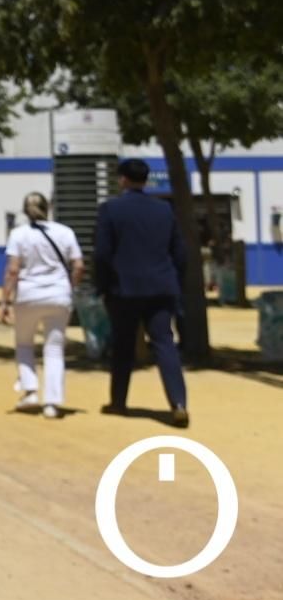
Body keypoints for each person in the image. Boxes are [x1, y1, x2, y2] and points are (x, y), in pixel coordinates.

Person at [95, 158, 189, 427]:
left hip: (123, 289)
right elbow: (179, 252)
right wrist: (175, 282)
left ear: (122, 179)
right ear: (146, 179)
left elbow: (102, 254)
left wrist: (103, 285)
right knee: (164, 343)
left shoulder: (110, 209)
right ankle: (178, 403)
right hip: (161, 287)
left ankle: (118, 401)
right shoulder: (164, 210)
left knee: (123, 345)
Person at [1, 192, 84, 419]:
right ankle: (52, 403)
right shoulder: (65, 232)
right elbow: (78, 266)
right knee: (54, 349)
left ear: (25, 211)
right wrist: (70, 287)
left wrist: (5, 301)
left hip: (27, 296)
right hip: (58, 296)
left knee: (24, 345)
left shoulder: (19, 234)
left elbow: (13, 270)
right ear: (47, 208)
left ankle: (30, 392)